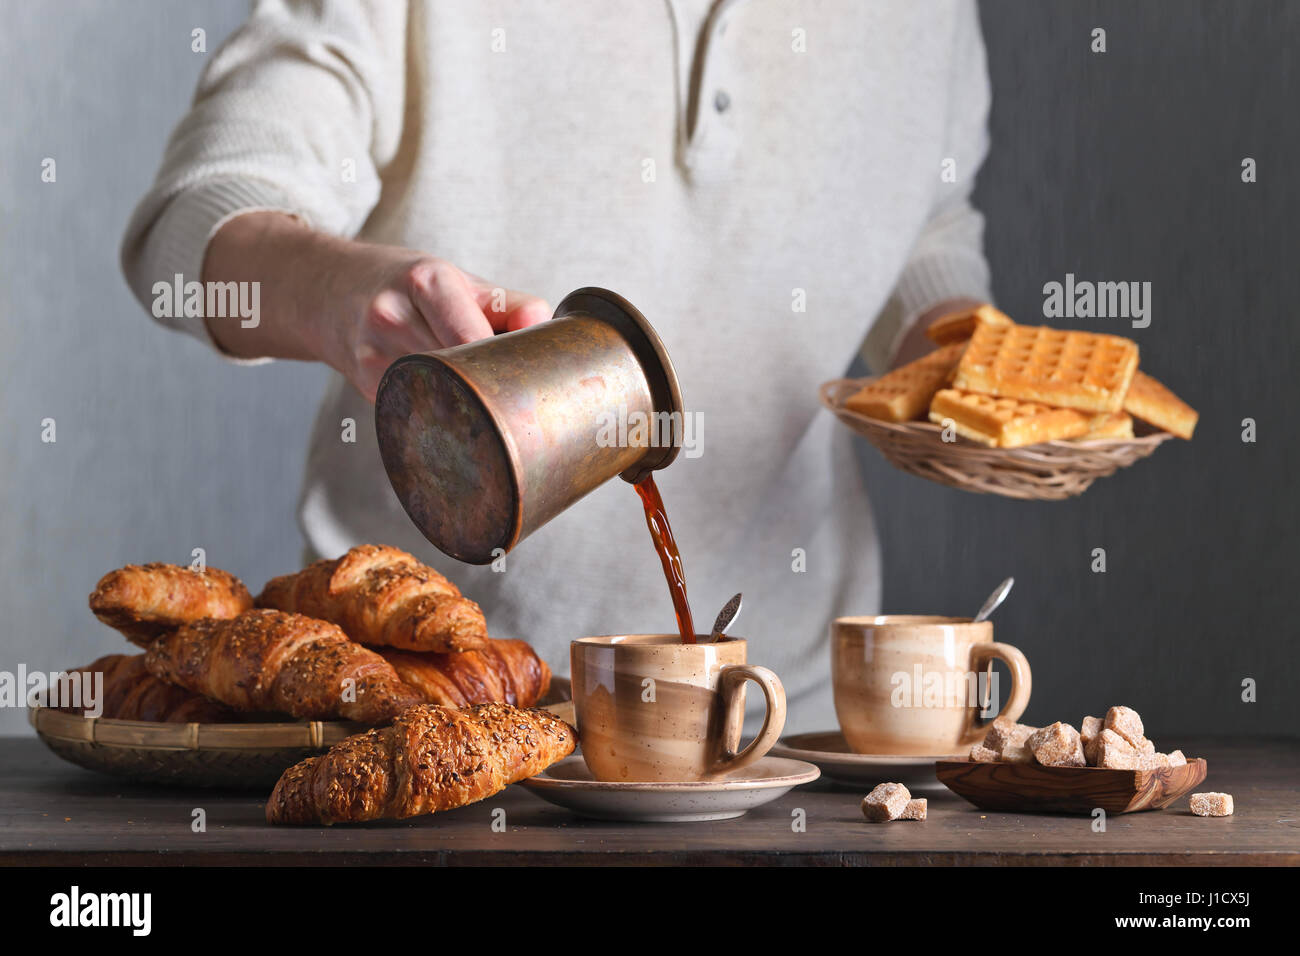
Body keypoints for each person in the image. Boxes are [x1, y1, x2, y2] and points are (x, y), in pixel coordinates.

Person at [121, 0, 992, 733]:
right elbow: (187, 229)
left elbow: (928, 223)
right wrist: (340, 295)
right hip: (432, 721)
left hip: (790, 729)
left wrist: (978, 370)